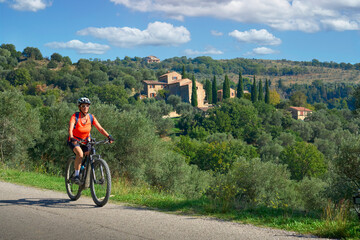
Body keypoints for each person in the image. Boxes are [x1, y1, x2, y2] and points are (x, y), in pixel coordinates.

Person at [68, 97, 114, 184]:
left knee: (91, 153)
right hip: (74, 140)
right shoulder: (75, 116)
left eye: (87, 106)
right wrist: (72, 137)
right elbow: (70, 128)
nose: (85, 107)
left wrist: (108, 136)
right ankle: (76, 175)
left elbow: (100, 128)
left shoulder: (91, 117)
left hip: (85, 141)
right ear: (79, 107)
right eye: (83, 106)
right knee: (80, 154)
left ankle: (84, 170)